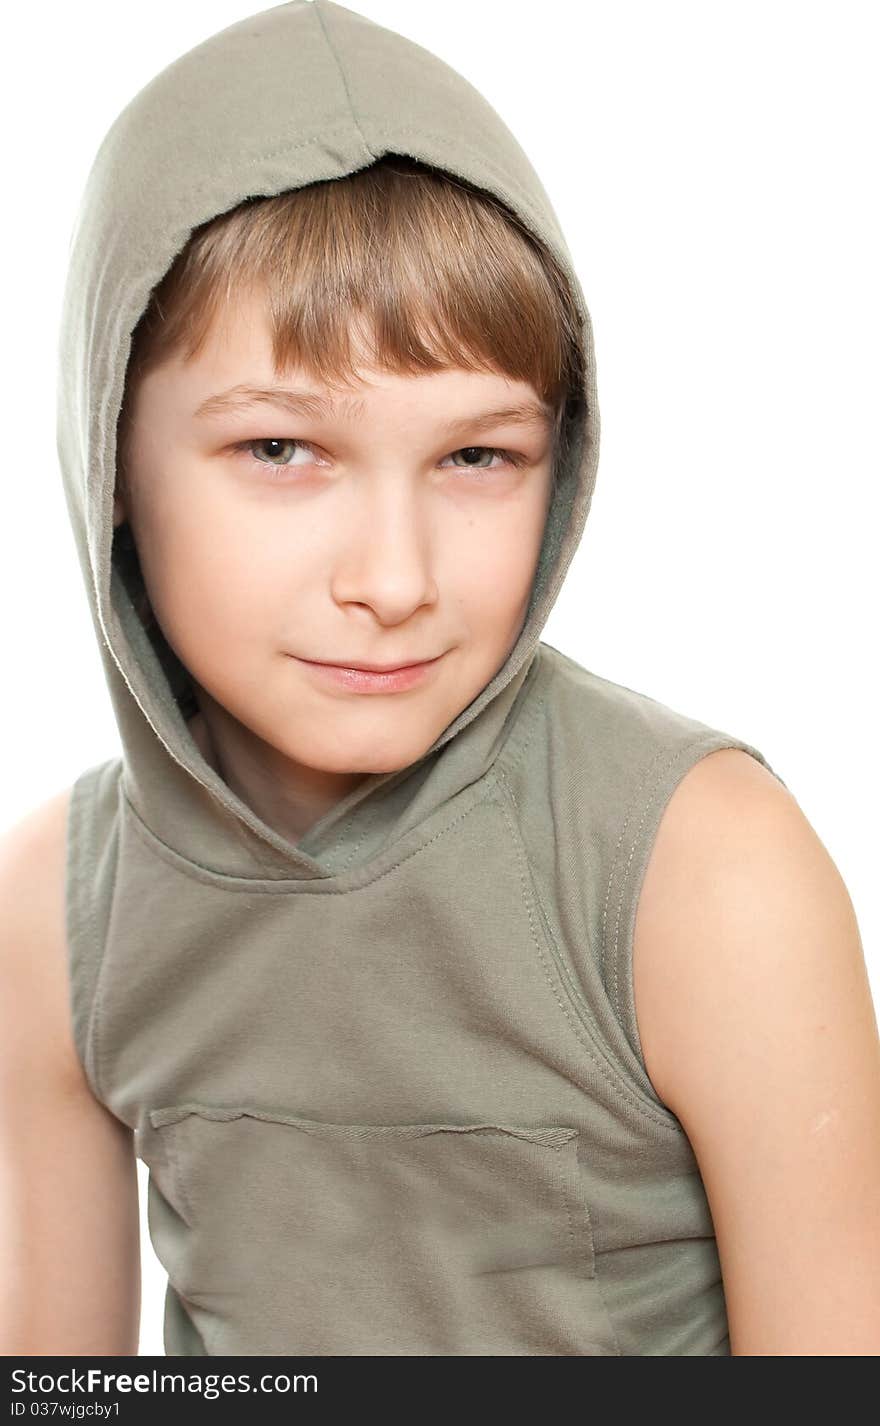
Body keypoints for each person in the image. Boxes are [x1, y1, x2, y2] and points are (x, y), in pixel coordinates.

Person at [1, 0, 878, 1358]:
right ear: (110, 455)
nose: (396, 577)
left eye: (477, 458)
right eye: (282, 450)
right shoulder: (62, 906)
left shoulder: (701, 872)